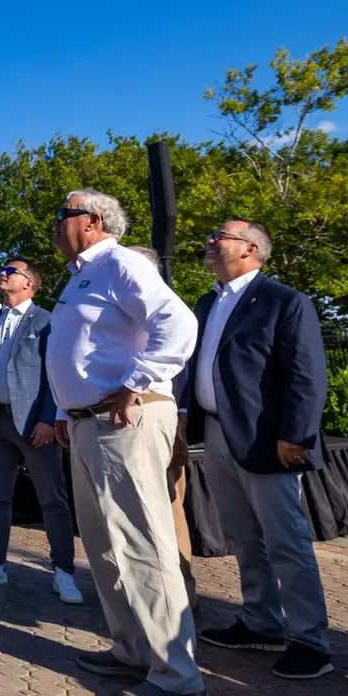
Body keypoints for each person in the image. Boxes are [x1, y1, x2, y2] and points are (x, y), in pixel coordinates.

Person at [47, 189, 206, 696]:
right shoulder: (80, 275)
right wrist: (66, 412)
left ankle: (179, 677)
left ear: (92, 221)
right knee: (103, 545)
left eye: (62, 215)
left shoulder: (119, 263)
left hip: (125, 422)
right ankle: (133, 647)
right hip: (88, 426)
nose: (54, 224)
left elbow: (178, 324)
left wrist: (136, 382)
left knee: (142, 544)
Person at [182, 219, 332, 680]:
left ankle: (311, 640)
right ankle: (262, 622)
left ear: (250, 249)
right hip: (218, 433)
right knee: (244, 536)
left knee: (285, 541)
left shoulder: (285, 301)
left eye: (219, 237)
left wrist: (297, 435)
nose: (209, 242)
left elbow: (306, 374)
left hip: (269, 440)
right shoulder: (208, 302)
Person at [0, 259, 81, 604]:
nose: (3, 273)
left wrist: (48, 417)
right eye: (2, 269)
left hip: (34, 424)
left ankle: (64, 571)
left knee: (52, 499)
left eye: (11, 271)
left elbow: (55, 373)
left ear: (29, 284)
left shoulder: (48, 322)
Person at [128, 245, 198, 610]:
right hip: (123, 424)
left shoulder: (166, 310)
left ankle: (183, 592)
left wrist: (180, 428)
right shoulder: (125, 310)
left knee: (168, 509)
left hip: (161, 418)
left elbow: (182, 374)